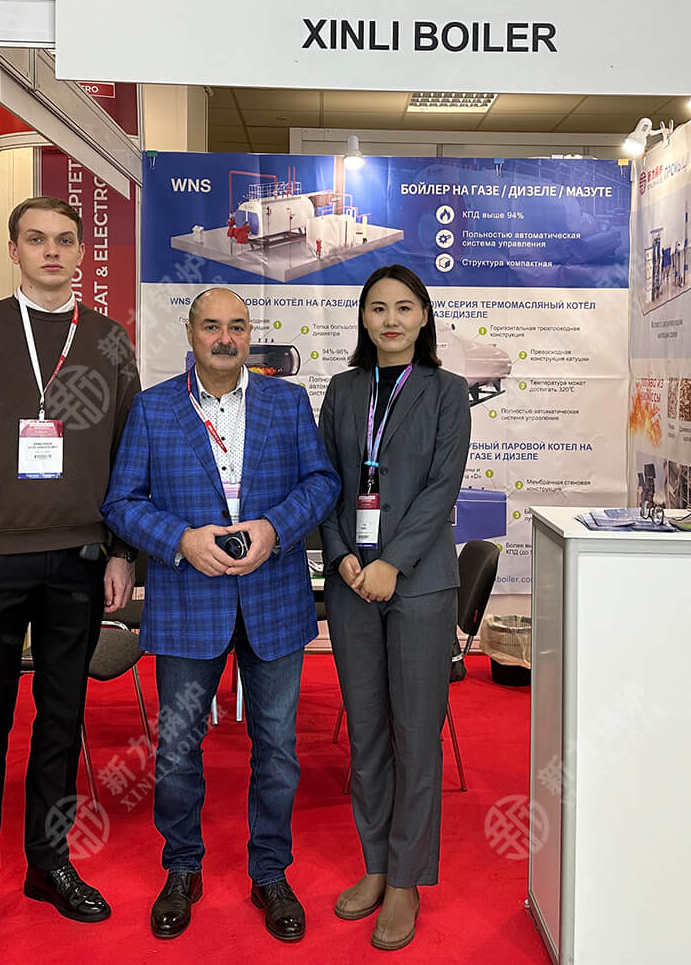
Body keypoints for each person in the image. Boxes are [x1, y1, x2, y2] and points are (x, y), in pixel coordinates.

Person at [0, 197, 140, 965]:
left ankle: (49, 864)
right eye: (36, 239)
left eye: (65, 240)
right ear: (13, 250)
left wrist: (122, 550)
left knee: (60, 724)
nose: (52, 251)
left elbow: (129, 454)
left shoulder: (109, 340)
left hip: (80, 557)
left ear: (81, 252)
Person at [102, 287, 339, 944]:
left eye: (237, 326)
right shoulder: (154, 409)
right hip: (188, 602)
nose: (225, 338)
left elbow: (322, 483)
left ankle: (271, 873)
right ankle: (181, 869)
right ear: (191, 332)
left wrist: (274, 528)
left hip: (273, 597)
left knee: (278, 750)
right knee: (178, 748)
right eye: (212, 326)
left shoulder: (287, 402)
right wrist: (181, 540)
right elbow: (121, 502)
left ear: (250, 334)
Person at [317, 265, 471, 952]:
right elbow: (325, 481)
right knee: (368, 735)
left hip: (419, 583)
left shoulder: (447, 391)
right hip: (351, 583)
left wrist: (391, 562)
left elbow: (442, 488)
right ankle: (375, 864)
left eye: (404, 308)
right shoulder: (343, 390)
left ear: (424, 316)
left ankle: (407, 880)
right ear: (363, 318)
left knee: (415, 734)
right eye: (378, 308)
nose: (391, 320)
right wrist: (342, 556)